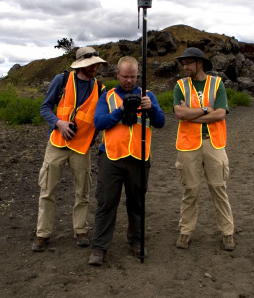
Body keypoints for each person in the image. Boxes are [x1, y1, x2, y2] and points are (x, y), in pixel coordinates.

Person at [88, 56, 166, 266]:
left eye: (133, 77)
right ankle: (99, 247)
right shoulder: (108, 97)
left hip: (139, 159)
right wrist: (121, 110)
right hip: (111, 157)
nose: (129, 81)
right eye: (125, 76)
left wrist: (151, 108)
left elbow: (160, 123)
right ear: (117, 75)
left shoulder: (147, 96)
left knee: (137, 204)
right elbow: (99, 122)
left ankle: (136, 242)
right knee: (106, 203)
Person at [32, 47, 107, 252]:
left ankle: (80, 229)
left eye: (97, 64)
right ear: (81, 65)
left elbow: (103, 116)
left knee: (82, 191)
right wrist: (59, 124)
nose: (95, 67)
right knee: (47, 190)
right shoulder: (62, 80)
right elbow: (45, 108)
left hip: (81, 147)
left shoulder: (100, 88)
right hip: (57, 143)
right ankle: (42, 234)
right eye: (92, 64)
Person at [172, 47, 235, 251]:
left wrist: (194, 115)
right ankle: (185, 232)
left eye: (188, 62)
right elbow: (179, 113)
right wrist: (206, 109)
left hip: (214, 143)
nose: (185, 66)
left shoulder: (217, 84)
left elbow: (220, 115)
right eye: (183, 63)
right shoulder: (180, 85)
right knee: (190, 190)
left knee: (219, 189)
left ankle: (227, 233)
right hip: (188, 145)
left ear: (199, 63)